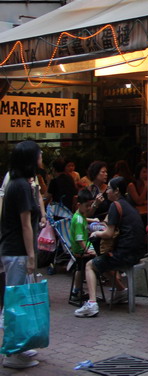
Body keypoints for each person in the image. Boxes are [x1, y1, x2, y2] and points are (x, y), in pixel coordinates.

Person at [74, 176, 146, 319]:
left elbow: (108, 233)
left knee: (90, 265)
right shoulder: (128, 204)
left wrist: (96, 233)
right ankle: (121, 291)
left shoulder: (115, 205)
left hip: (124, 255)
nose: (107, 192)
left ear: (117, 191)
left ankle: (92, 304)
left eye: (109, 189)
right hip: (137, 252)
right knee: (101, 262)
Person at [0, 140, 44, 369]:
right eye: (38, 154)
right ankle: (12, 353)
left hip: (14, 251)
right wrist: (31, 256)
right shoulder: (21, 186)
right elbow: (25, 225)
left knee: (18, 300)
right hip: (17, 252)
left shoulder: (19, 184)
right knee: (15, 303)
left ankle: (19, 346)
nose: (41, 157)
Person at [69, 189, 97, 306]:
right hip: (80, 249)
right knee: (92, 260)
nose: (89, 208)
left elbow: (84, 219)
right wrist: (87, 250)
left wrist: (93, 220)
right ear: (79, 205)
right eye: (87, 206)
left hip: (82, 247)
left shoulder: (79, 215)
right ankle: (77, 290)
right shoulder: (79, 220)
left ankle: (77, 290)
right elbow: (79, 239)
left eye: (90, 205)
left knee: (80, 269)